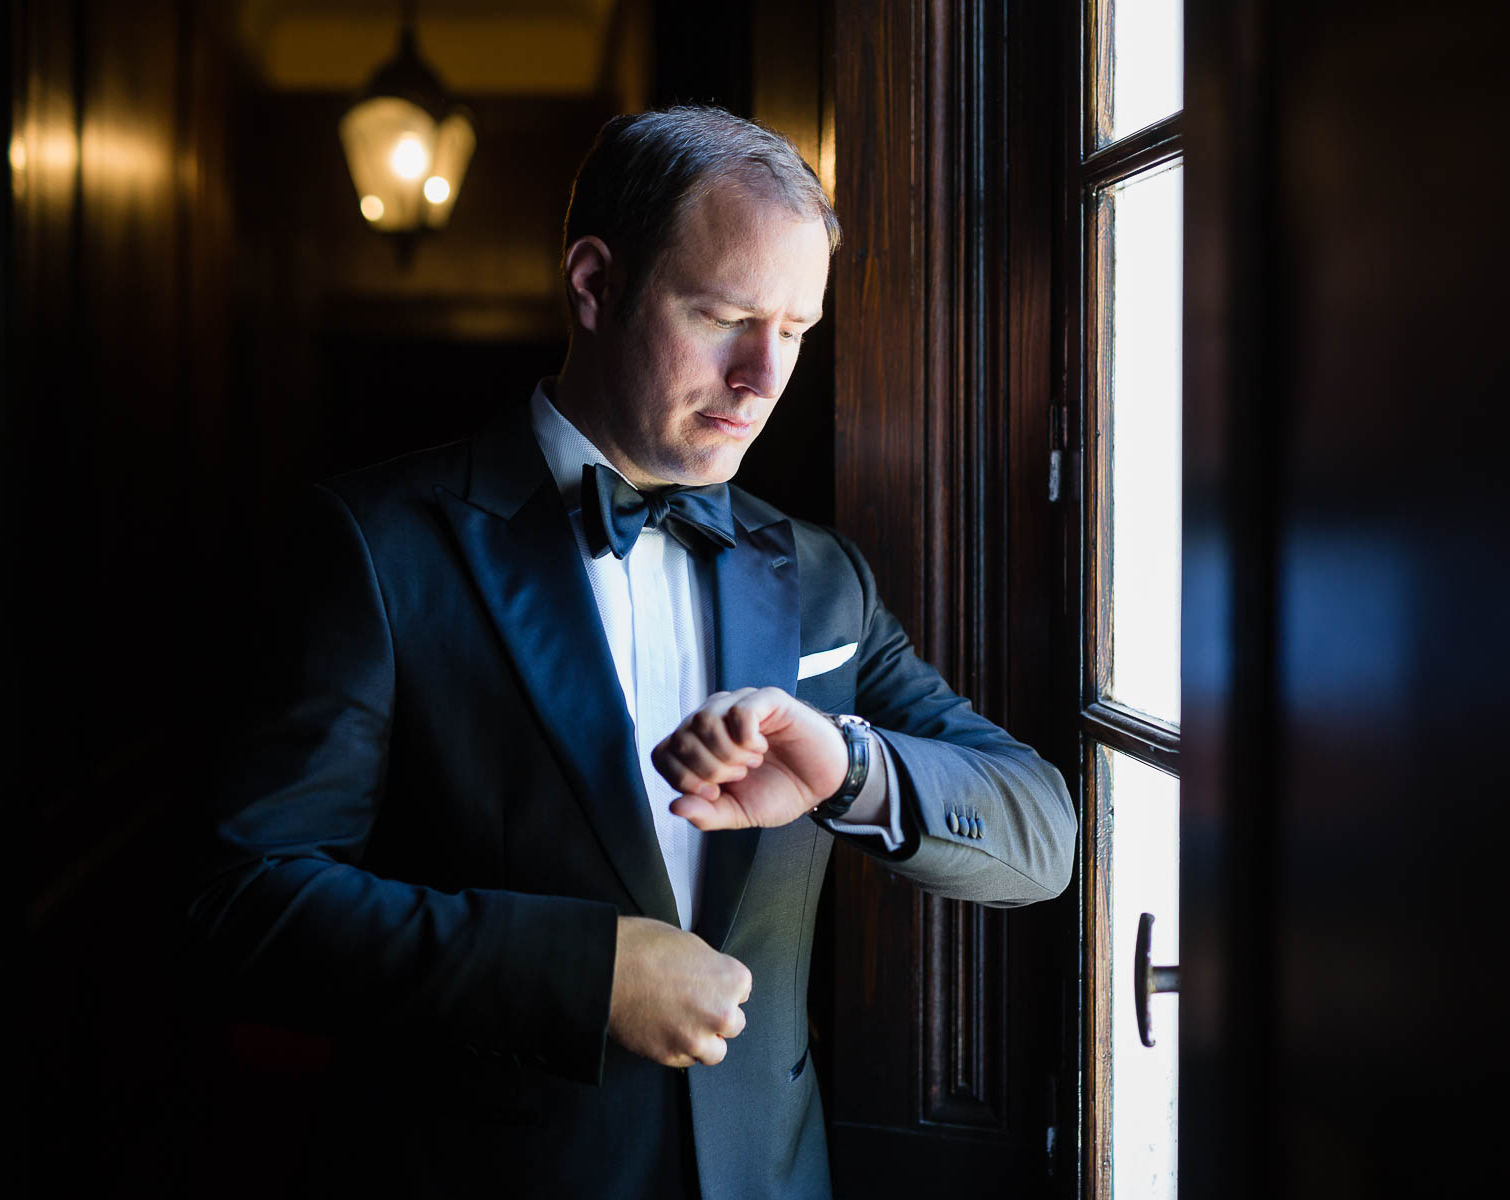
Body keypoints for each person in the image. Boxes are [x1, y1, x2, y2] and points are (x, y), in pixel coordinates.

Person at [191, 105, 1075, 1199]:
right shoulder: (377, 547)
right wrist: (578, 972)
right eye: (725, 315)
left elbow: (1042, 835)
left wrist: (850, 765)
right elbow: (247, 901)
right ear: (596, 284)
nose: (764, 374)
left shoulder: (822, 576)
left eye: (796, 328)